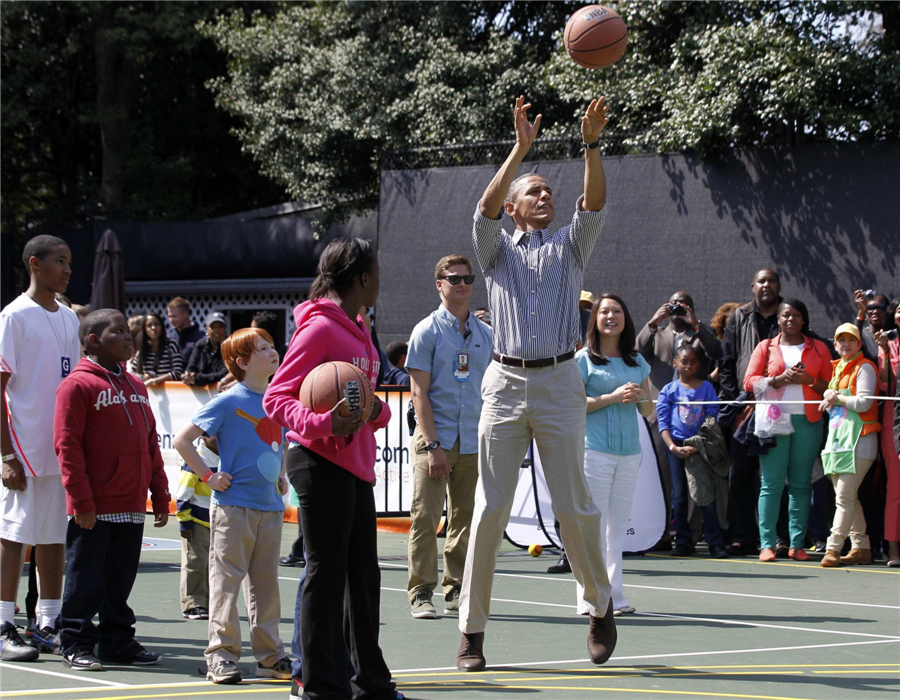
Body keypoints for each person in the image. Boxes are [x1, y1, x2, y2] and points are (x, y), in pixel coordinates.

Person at [457, 94, 616, 673]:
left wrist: (591, 146)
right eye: (535, 191)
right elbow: (483, 209)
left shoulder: (571, 245)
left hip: (558, 383)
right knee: (489, 510)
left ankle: (599, 607)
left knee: (574, 507)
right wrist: (520, 149)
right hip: (504, 382)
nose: (545, 195)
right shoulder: (495, 250)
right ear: (517, 207)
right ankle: (472, 632)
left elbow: (594, 205)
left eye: (550, 189)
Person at [263, 237, 403, 700]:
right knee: (326, 574)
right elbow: (276, 398)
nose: (381, 280)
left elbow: (364, 396)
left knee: (364, 576)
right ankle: (317, 684)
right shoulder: (319, 329)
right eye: (378, 271)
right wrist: (324, 422)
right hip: (317, 460)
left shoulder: (359, 325)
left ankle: (370, 684)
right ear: (363, 278)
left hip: (354, 463)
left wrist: (375, 412)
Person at [174, 327, 291, 685]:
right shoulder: (228, 400)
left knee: (266, 586)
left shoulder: (276, 398)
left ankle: (270, 657)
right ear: (242, 362)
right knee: (225, 583)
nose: (273, 352)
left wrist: (282, 474)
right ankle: (221, 657)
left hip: (270, 508)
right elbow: (183, 440)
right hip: (233, 508)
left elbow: (281, 442)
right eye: (263, 348)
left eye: (272, 346)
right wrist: (208, 477)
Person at [53, 309, 169, 671]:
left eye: (126, 330)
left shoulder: (136, 386)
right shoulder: (77, 385)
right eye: (117, 331)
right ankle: (74, 640)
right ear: (93, 341)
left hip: (132, 502)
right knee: (86, 576)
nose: (127, 336)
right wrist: (80, 500)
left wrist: (160, 493)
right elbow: (66, 446)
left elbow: (151, 444)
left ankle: (117, 641)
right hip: (95, 505)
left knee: (120, 578)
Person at [1, 235, 80, 662]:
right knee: (13, 534)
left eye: (70, 262)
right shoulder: (13, 316)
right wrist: (6, 455)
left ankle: (48, 623)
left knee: (53, 537)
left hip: (59, 448)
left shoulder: (69, 319)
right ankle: (1, 623)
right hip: (24, 447)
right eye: (60, 262)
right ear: (35, 264)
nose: (68, 269)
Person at [406, 254, 492, 619]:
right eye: (453, 279)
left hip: (474, 440)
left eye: (467, 278)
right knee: (425, 518)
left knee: (466, 519)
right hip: (435, 440)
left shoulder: (488, 333)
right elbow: (418, 393)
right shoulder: (426, 330)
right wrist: (434, 445)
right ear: (438, 284)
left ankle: (456, 589)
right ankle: (420, 593)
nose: (462, 284)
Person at [574, 294, 653, 617]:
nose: (611, 316)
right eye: (604, 311)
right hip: (594, 451)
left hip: (629, 454)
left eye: (617, 311)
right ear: (595, 319)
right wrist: (611, 397)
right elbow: (576, 405)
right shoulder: (583, 359)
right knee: (594, 526)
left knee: (617, 527)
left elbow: (649, 409)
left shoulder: (637, 361)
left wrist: (639, 395)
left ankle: (615, 597)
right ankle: (589, 598)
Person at [742, 299, 832, 562]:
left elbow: (829, 384)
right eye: (785, 316)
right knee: (770, 484)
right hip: (773, 421)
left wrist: (810, 380)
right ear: (778, 320)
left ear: (803, 320)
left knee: (801, 485)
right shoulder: (765, 346)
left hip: (808, 421)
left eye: (795, 315)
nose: (790, 319)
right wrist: (776, 380)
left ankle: (796, 544)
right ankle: (767, 544)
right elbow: (748, 381)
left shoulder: (819, 348)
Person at [718, 269, 783, 556]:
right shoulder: (739, 316)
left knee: (777, 476)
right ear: (752, 286)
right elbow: (727, 361)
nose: (766, 285)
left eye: (771, 281)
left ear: (778, 286)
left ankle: (780, 538)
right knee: (741, 475)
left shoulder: (789, 312)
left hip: (780, 406)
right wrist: (734, 403)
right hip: (745, 408)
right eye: (761, 281)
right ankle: (743, 536)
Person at [818, 324, 881, 567]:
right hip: (838, 441)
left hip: (860, 440)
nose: (845, 344)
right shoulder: (837, 370)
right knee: (848, 498)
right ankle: (861, 547)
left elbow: (864, 403)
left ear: (859, 344)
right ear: (835, 345)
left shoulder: (865, 367)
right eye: (840, 340)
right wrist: (829, 395)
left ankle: (833, 549)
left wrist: (835, 397)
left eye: (850, 340)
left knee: (843, 498)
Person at [657, 345, 728, 558]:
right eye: (684, 361)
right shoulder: (668, 390)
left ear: (699, 364)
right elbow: (663, 422)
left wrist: (699, 443)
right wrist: (673, 447)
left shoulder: (706, 388)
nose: (689, 366)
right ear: (675, 363)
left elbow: (712, 416)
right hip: (676, 447)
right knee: (679, 495)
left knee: (705, 493)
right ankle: (683, 542)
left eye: (693, 362)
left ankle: (715, 543)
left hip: (701, 446)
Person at [174, 434, 219, 620]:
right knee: (195, 562)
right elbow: (183, 493)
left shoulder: (225, 458)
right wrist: (185, 522)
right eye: (216, 432)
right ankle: (192, 604)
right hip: (197, 521)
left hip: (217, 520)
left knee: (213, 564)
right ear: (204, 436)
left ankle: (209, 602)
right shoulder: (196, 458)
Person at [876, 299, 900, 567]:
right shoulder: (888, 341)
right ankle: (894, 551)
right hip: (895, 418)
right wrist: (884, 352)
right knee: (895, 487)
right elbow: (883, 383)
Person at [130, 312, 184, 386]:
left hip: (169, 393)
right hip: (147, 394)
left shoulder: (171, 344)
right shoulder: (143, 348)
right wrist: (143, 376)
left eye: (156, 324)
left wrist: (155, 380)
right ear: (144, 329)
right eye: (149, 325)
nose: (153, 328)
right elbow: (132, 373)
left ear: (161, 326)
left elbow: (178, 372)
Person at [183, 312, 228, 389]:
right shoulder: (200, 345)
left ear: (225, 328)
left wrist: (197, 379)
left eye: (220, 326)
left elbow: (224, 374)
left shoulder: (230, 346)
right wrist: (188, 375)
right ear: (207, 328)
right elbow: (191, 368)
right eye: (213, 327)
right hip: (200, 393)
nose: (217, 330)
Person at [853, 290, 895, 361]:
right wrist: (861, 311)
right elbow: (853, 339)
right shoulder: (862, 335)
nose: (875, 311)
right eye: (870, 308)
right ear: (866, 313)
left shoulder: (894, 334)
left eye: (881, 307)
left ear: (888, 311)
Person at [707, 302, 742, 386]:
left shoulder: (751, 345)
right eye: (730, 327)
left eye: (738, 326)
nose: (734, 331)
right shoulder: (717, 349)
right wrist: (724, 366)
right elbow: (707, 380)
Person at [166, 297, 205, 365]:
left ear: (185, 314)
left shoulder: (201, 337)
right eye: (169, 316)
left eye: (174, 316)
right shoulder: (170, 338)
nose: (171, 320)